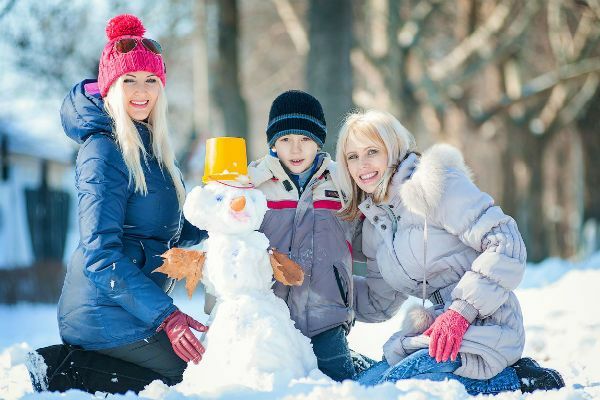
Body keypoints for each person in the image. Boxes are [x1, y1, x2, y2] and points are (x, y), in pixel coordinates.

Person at [26, 14, 208, 394]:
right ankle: (66, 368)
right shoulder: (103, 151)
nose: (141, 91)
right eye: (129, 81)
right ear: (110, 86)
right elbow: (99, 254)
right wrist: (167, 317)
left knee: (206, 366)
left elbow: (171, 230)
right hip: (101, 312)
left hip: (132, 308)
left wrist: (228, 215)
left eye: (151, 81)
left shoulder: (152, 148)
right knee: (197, 375)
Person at [334, 109, 565, 394]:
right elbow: (378, 302)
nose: (362, 165)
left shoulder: (434, 183)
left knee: (391, 390)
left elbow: (506, 243)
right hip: (435, 333)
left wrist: (460, 312)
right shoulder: (375, 224)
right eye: (352, 156)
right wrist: (323, 288)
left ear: (392, 150)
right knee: (361, 390)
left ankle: (520, 380)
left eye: (372, 151)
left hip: (486, 325)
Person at [239, 91, 405, 381]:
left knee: (340, 385)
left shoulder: (343, 182)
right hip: (269, 312)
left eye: (305, 139)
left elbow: (370, 231)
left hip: (327, 313)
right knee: (272, 385)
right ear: (273, 143)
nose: (295, 149)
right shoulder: (254, 184)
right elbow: (231, 245)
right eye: (286, 140)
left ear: (318, 141)